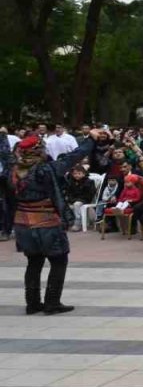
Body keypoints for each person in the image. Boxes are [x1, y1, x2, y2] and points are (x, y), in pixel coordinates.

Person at [2, 129, 105, 314]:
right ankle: (52, 302)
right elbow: (75, 156)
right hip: (46, 221)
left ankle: (32, 303)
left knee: (33, 262)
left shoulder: (12, 171)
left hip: (22, 222)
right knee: (59, 260)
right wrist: (91, 139)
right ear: (39, 150)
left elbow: (5, 153)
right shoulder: (47, 169)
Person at [63, 165, 97, 233]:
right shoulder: (71, 182)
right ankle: (66, 222)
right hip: (74, 199)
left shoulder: (89, 182)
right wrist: (70, 199)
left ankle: (78, 223)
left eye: (79, 173)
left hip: (85, 199)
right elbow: (69, 193)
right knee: (63, 203)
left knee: (77, 204)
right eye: (75, 174)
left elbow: (90, 194)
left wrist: (77, 200)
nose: (76, 175)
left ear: (84, 173)